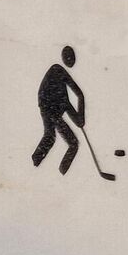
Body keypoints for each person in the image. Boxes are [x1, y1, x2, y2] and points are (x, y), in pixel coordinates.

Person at [32, 46, 86, 174]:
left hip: (49, 107)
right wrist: (80, 119)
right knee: (71, 143)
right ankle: (38, 164)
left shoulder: (60, 82)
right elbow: (78, 95)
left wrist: (79, 119)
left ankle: (38, 162)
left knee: (51, 137)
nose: (71, 62)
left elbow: (71, 100)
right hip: (49, 108)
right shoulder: (57, 70)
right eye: (69, 59)